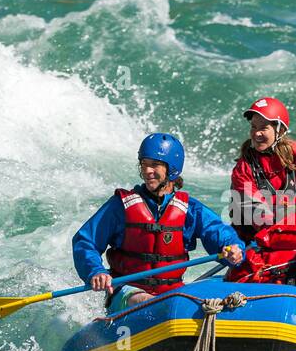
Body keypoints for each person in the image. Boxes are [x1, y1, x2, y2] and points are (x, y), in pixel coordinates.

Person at [73, 133, 245, 311]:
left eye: (154, 165)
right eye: (144, 164)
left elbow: (218, 232)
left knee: (180, 305)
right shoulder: (120, 206)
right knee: (147, 302)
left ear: (172, 169)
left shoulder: (191, 210)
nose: (147, 171)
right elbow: (85, 242)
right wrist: (96, 271)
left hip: (172, 293)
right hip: (127, 292)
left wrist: (232, 249)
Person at [229, 96, 296, 240]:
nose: (256, 133)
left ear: (279, 131)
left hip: (295, 225)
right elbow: (257, 213)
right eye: (253, 127)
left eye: (263, 128)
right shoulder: (243, 169)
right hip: (255, 237)